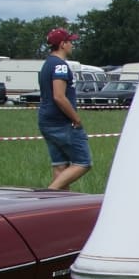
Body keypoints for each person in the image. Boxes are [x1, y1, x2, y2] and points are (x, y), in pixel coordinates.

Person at [37, 28, 91, 190]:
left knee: (60, 166)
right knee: (83, 162)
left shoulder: (47, 64)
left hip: (46, 120)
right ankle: (48, 196)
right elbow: (59, 96)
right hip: (62, 122)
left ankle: (59, 205)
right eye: (70, 41)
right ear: (62, 44)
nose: (72, 45)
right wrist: (76, 118)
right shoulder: (60, 66)